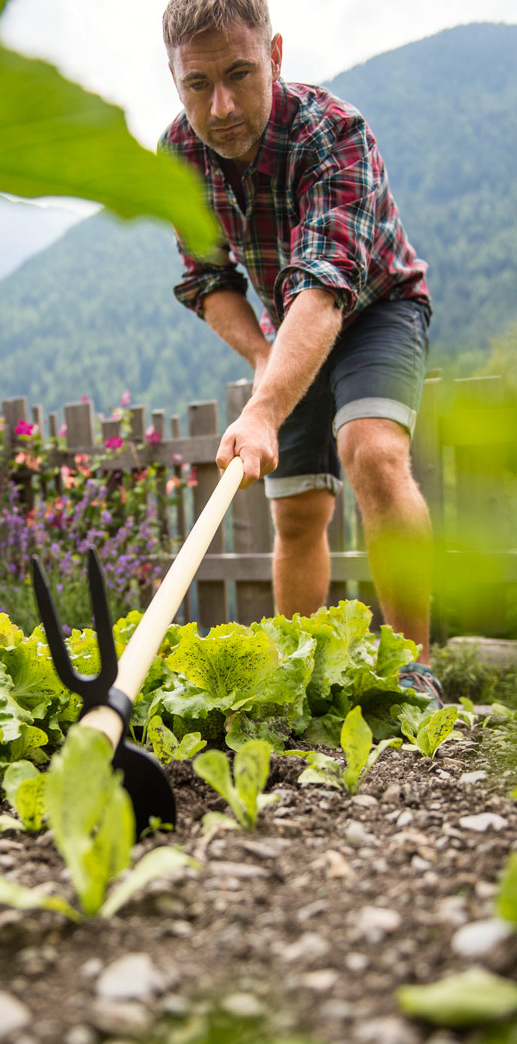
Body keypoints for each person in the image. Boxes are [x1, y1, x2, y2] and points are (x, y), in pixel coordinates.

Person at [160, 0, 443, 707]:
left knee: (371, 450)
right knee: (295, 511)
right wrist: (260, 358)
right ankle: (300, 675)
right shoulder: (179, 155)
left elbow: (324, 283)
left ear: (274, 56)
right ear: (173, 78)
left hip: (376, 307)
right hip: (288, 328)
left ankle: (414, 667)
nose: (219, 106)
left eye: (238, 74)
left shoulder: (333, 133)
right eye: (197, 84)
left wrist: (261, 409)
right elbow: (207, 278)